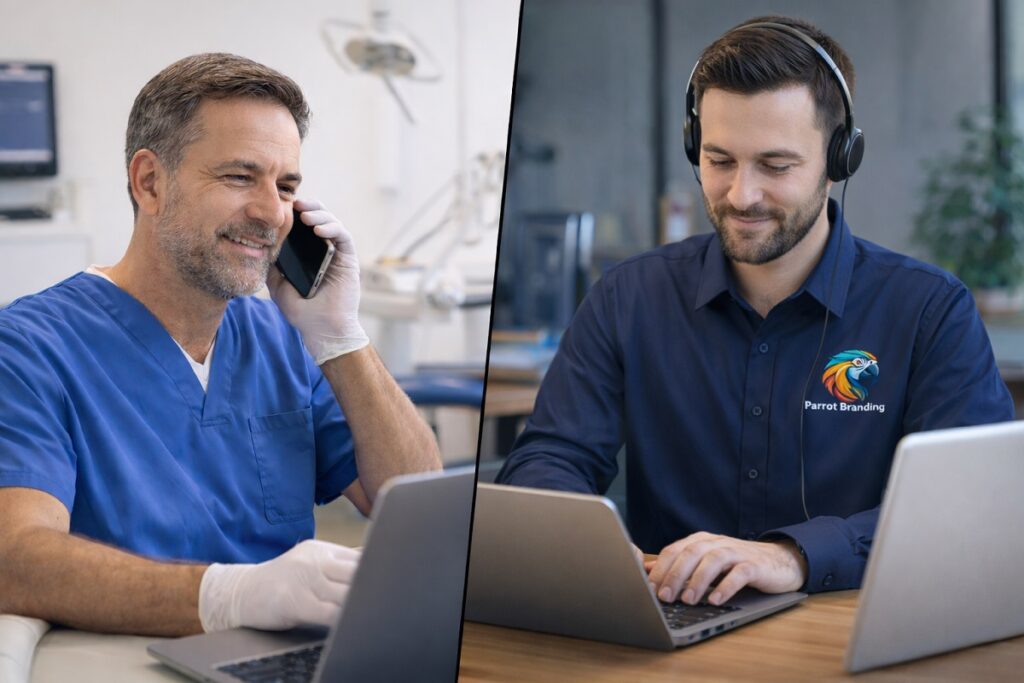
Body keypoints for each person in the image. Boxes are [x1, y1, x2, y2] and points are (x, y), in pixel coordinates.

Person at [497, 17, 1014, 609]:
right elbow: (547, 461)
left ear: (840, 157)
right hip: (666, 630)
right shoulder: (627, 298)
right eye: (719, 161)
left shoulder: (928, 310)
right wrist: (593, 547)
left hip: (849, 633)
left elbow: (972, 508)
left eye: (776, 166)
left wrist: (794, 556)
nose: (741, 196)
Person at [0, 53, 441, 636]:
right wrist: (230, 596)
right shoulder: (30, 349)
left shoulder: (287, 342)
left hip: (283, 658)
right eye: (239, 177)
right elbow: (16, 563)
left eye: (286, 186)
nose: (270, 213)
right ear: (150, 182)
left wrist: (343, 338)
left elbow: (414, 510)